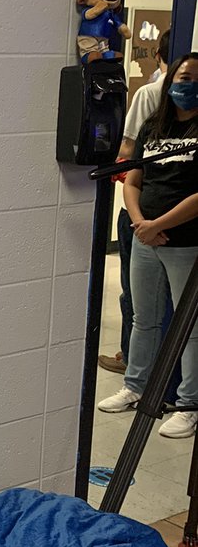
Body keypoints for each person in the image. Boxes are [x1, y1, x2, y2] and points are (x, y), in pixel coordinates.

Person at [98, 52, 198, 437]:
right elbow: (133, 179)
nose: (187, 85)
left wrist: (159, 224)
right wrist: (141, 223)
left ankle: (188, 404)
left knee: (189, 326)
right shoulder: (154, 126)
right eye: (182, 78)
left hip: (184, 240)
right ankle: (135, 387)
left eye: (194, 79)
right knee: (144, 318)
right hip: (145, 236)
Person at [98, 30, 171, 374]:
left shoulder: (149, 93)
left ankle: (132, 359)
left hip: (142, 212)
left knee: (135, 293)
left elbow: (128, 151)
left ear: (157, 54)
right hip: (164, 214)